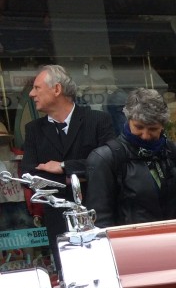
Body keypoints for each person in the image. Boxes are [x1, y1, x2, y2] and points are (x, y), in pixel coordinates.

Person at [22, 64, 115, 262]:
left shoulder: (98, 120)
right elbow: (28, 175)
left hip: (97, 215)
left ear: (57, 89)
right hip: (58, 222)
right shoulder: (34, 130)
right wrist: (75, 178)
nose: (31, 93)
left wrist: (64, 166)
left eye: (37, 88)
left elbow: (110, 163)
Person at [86, 88, 176, 227]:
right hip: (130, 244)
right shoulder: (105, 158)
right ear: (128, 119)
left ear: (163, 126)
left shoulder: (175, 153)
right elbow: (100, 218)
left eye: (153, 129)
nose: (145, 135)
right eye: (139, 127)